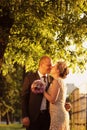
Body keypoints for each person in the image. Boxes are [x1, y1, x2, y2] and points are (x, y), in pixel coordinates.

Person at [21, 55, 52, 130]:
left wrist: (64, 104)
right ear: (41, 65)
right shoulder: (30, 78)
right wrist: (25, 116)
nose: (51, 67)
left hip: (48, 117)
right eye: (49, 65)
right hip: (33, 117)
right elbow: (24, 98)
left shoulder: (52, 79)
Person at [44, 61, 70, 130]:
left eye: (54, 66)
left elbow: (53, 100)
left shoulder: (57, 81)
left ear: (57, 71)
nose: (51, 67)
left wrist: (43, 91)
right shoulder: (60, 81)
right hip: (60, 114)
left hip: (58, 115)